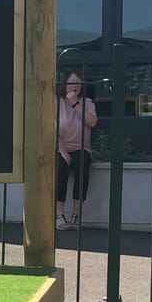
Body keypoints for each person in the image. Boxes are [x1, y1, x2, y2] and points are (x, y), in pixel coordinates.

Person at [55, 71, 97, 230]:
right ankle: (59, 215)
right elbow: (51, 130)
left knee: (82, 168)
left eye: (78, 82)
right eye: (72, 82)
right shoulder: (56, 103)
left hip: (81, 147)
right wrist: (63, 152)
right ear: (64, 84)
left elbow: (92, 122)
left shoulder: (87, 103)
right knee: (60, 169)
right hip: (60, 146)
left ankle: (76, 216)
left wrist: (75, 104)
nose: (75, 85)